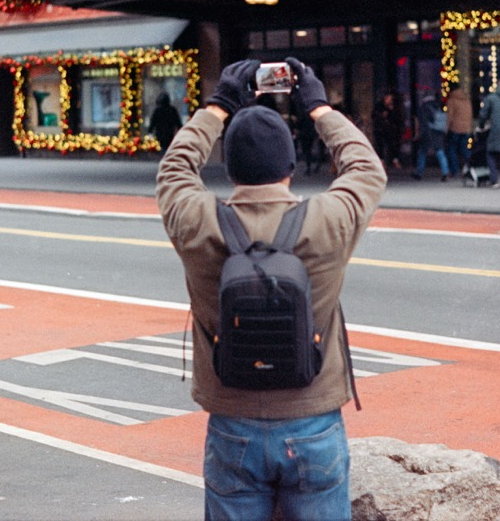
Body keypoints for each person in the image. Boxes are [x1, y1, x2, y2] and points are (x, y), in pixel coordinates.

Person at [156, 58, 386, 520]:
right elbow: (365, 167)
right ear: (291, 167)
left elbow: (175, 165)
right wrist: (318, 107)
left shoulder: (197, 221)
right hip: (312, 418)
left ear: (229, 168)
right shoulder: (327, 221)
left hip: (232, 420)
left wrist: (218, 106)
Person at [411, 86, 451, 181]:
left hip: (427, 132)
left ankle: (419, 173)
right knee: (440, 152)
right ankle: (445, 173)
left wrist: (419, 133)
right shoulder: (438, 104)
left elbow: (421, 121)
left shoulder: (423, 106)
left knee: (422, 152)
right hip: (438, 132)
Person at [444, 84, 473, 181]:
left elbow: (450, 116)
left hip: (455, 128)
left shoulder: (452, 101)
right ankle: (471, 165)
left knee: (451, 149)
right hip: (466, 129)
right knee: (464, 149)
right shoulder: (466, 100)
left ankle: (454, 170)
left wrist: (447, 128)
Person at [372, 92, 405, 169]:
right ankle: (382, 161)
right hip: (380, 129)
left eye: (390, 99)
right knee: (380, 146)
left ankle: (394, 160)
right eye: (387, 98)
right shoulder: (379, 106)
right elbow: (374, 115)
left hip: (391, 129)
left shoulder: (394, 106)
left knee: (393, 145)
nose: (389, 100)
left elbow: (398, 117)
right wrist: (381, 115)